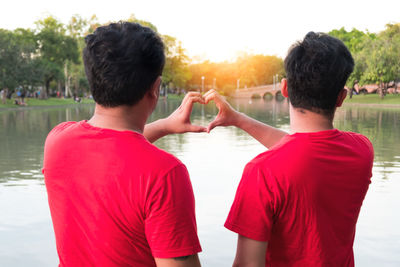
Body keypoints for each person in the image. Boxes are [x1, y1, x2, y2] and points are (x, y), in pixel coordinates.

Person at [43, 22, 206, 267]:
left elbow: (111, 151)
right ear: (156, 88)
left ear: (93, 80)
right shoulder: (164, 174)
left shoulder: (57, 141)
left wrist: (163, 126)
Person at [204, 32, 374, 266]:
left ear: (284, 88)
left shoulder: (262, 172)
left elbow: (247, 264)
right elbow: (305, 151)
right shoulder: (362, 151)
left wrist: (240, 119)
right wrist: (238, 119)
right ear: (341, 97)